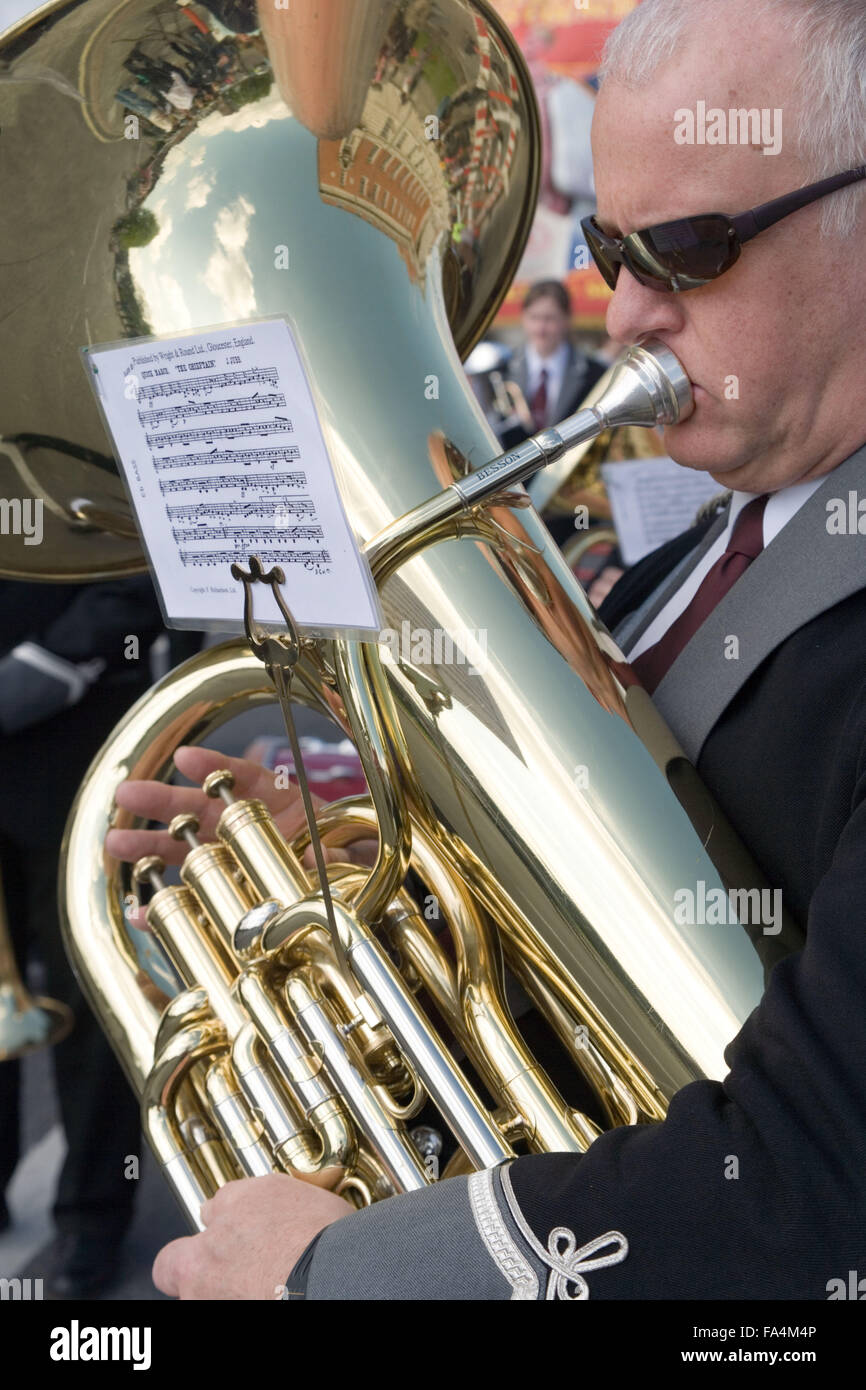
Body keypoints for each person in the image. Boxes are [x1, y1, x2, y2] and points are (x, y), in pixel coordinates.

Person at [108, 0, 866, 1299]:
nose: (623, 312)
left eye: (681, 253)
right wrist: (366, 854)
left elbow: (808, 1180)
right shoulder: (714, 537)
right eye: (602, 247)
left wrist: (335, 1275)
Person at [0, 575, 172, 1297]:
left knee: (93, 996)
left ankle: (92, 1218)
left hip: (73, 756)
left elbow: (130, 579)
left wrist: (24, 680)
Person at [495, 280, 607, 452]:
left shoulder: (595, 373)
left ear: (566, 319)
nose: (540, 328)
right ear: (523, 318)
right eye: (534, 317)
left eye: (549, 319)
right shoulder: (501, 369)